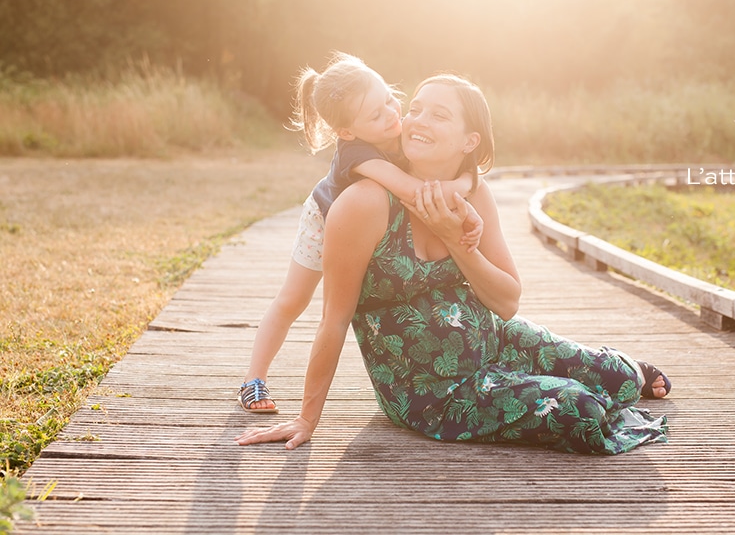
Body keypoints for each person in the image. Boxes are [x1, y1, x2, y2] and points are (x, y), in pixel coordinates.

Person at [236, 74, 670, 454]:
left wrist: (455, 240)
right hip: (434, 390)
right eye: (416, 109)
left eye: (438, 115)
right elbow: (333, 319)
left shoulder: (474, 194)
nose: (417, 120)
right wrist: (307, 420)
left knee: (622, 380)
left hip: (497, 341)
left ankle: (617, 369)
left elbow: (507, 302)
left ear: (469, 141)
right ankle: (564, 387)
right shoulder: (364, 202)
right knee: (580, 408)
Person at [238, 54, 480, 413]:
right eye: (376, 114)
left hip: (364, 225)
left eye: (388, 98)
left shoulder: (396, 130)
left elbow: (462, 167)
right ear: (346, 132)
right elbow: (415, 191)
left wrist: (467, 183)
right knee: (293, 299)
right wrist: (465, 188)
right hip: (325, 217)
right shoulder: (358, 153)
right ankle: (253, 380)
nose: (392, 113)